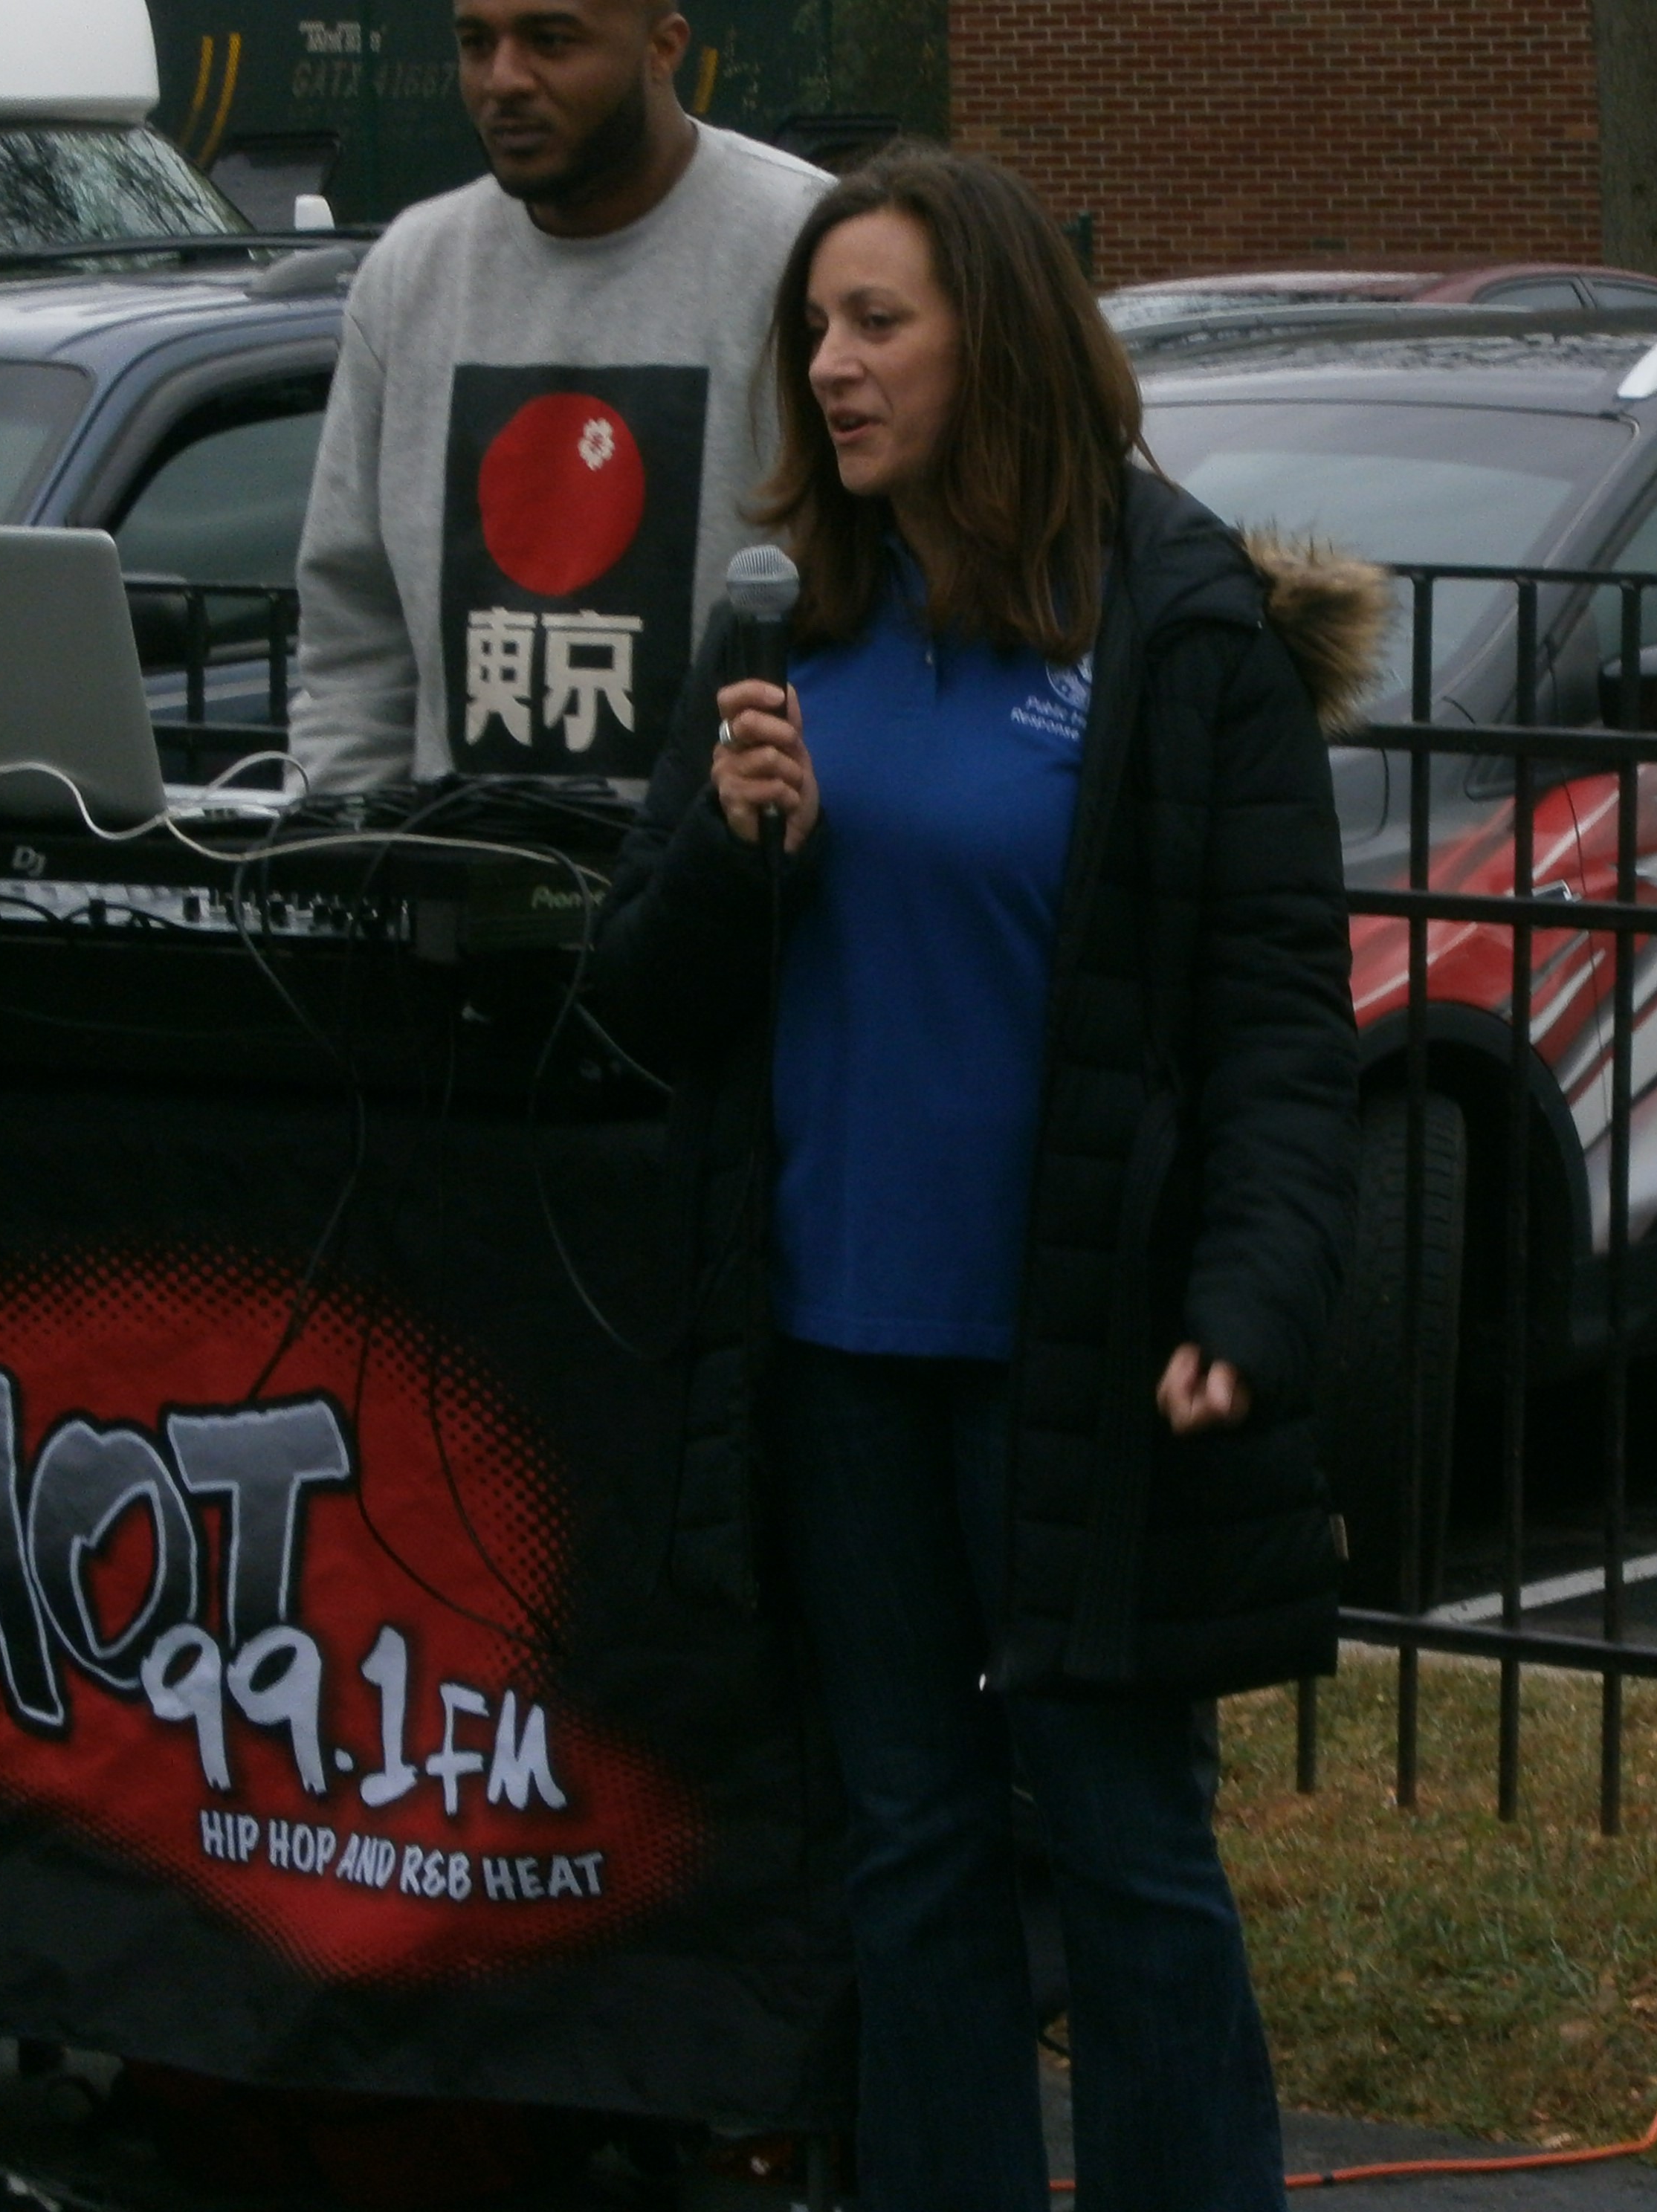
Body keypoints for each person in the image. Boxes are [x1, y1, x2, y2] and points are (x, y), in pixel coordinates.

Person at [592, 147, 1381, 2211]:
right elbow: (637, 994)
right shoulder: (785, 622)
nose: (830, 370)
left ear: (1001, 342)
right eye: (813, 330)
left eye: (879, 324)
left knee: (1120, 1841)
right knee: (909, 1840)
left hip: (1082, 1353)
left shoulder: (1176, 626)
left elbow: (1275, 1019)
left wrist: (1251, 1293)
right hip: (832, 1347)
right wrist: (726, 854)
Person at [288, 0, 827, 792]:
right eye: (476, 43)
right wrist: (340, 841)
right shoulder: (410, 273)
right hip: (462, 860)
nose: (503, 79)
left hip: (732, 862)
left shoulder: (808, 250)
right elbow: (353, 641)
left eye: (550, 40)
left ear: (662, 49)